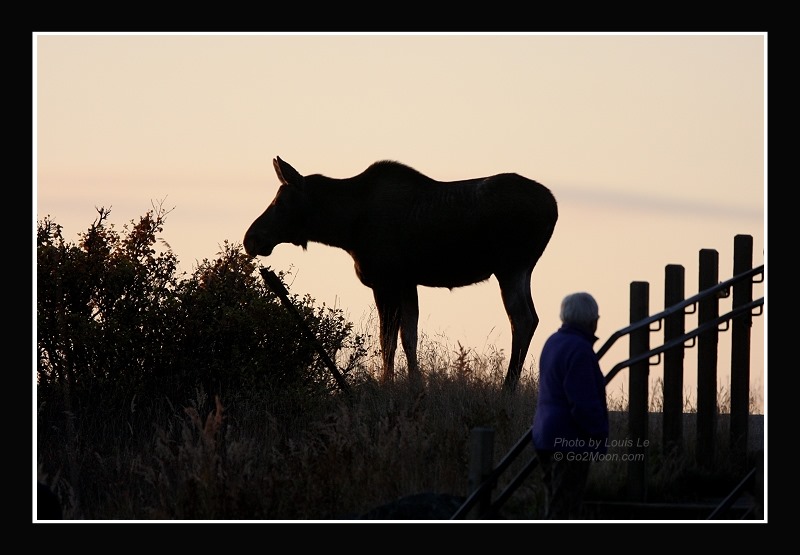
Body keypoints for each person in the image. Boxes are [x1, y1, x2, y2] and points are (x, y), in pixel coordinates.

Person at [531, 292, 609, 520]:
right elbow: (583, 401)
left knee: (554, 501)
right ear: (591, 320)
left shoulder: (553, 342)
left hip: (544, 434)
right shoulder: (580, 350)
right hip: (569, 439)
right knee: (566, 506)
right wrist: (599, 434)